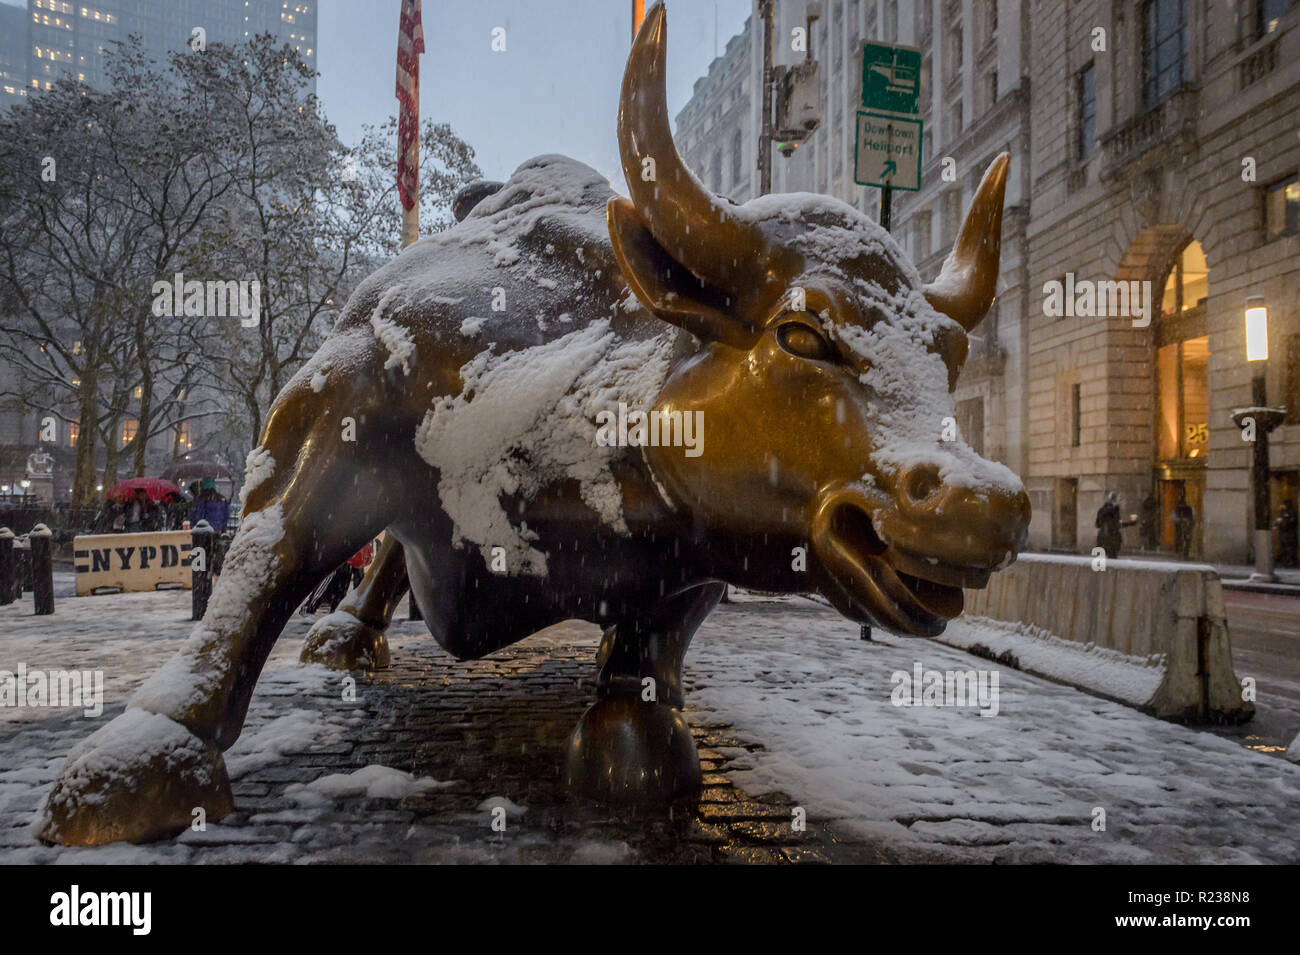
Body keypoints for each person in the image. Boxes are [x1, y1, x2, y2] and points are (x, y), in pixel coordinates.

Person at [1094, 492, 1134, 559]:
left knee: (1102, 562)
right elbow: (1117, 524)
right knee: (1111, 559)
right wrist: (1130, 523)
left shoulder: (1102, 510)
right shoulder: (1113, 510)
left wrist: (1130, 523)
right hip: (1111, 539)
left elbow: (1097, 524)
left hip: (1104, 538)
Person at [1277, 499, 1298, 568]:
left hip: (1289, 534)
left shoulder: (1292, 512)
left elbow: (1292, 522)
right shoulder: (1283, 512)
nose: (1282, 506)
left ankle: (1290, 562)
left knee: (1290, 549)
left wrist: (1283, 524)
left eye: (1283, 505)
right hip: (1284, 534)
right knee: (1284, 548)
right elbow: (1279, 521)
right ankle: (1286, 562)